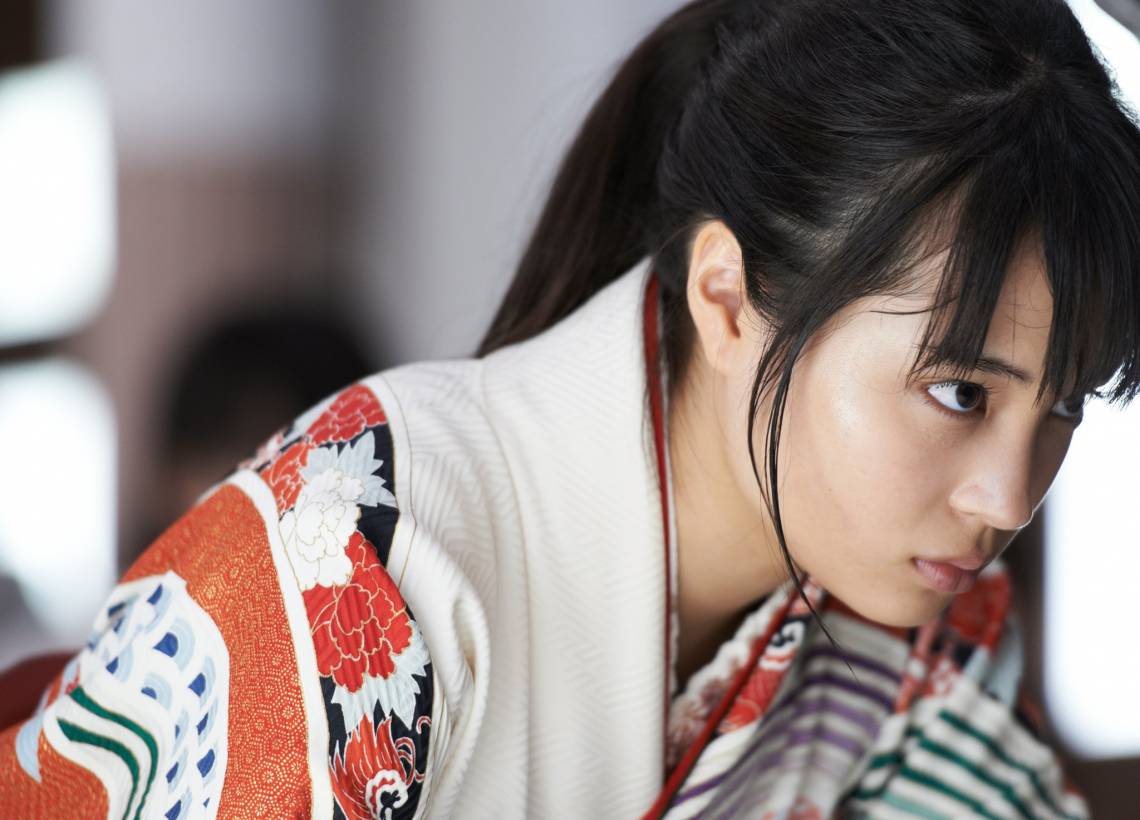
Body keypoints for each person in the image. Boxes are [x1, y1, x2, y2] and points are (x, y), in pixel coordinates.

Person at [3, 0, 1139, 816]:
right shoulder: (363, 557)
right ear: (728, 299)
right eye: (959, 391)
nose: (1010, 497)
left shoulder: (929, 627)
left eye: (1064, 406)